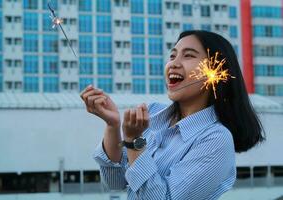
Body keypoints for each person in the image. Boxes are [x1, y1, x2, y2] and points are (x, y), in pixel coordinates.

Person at [80, 30, 265, 199]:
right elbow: (115, 182)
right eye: (172, 55)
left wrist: (135, 142)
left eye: (188, 55)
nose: (173, 64)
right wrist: (112, 125)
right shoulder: (152, 114)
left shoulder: (216, 139)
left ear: (215, 71)